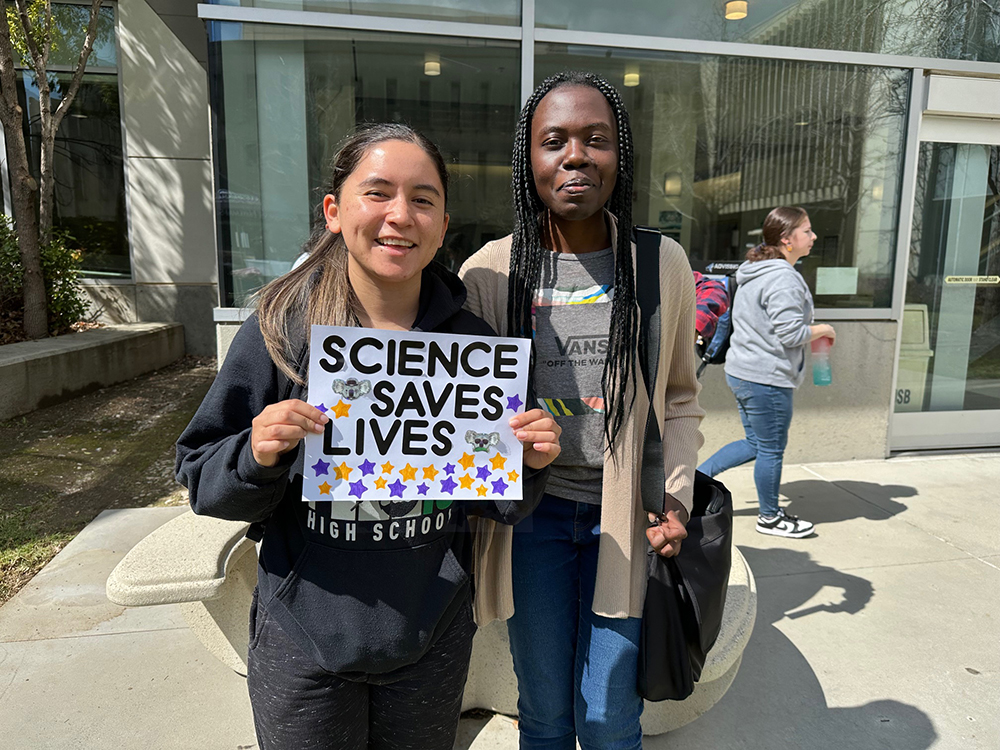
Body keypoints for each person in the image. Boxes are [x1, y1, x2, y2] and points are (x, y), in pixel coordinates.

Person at [175, 123, 562, 750]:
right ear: (334, 211)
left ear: (442, 223)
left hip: (430, 635)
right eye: (377, 193)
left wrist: (530, 460)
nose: (399, 216)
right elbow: (202, 478)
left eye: (423, 199)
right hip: (304, 640)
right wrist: (256, 453)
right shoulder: (281, 334)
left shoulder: (474, 346)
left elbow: (499, 502)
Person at [459, 72, 704, 750]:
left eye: (596, 139)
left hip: (625, 518)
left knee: (608, 718)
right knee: (541, 713)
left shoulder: (659, 264)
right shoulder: (488, 273)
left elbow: (680, 397)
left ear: (619, 154)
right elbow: (467, 418)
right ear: (527, 159)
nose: (575, 155)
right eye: (553, 141)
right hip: (530, 524)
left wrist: (675, 498)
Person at [698, 206, 836, 538]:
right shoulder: (783, 278)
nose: (813, 236)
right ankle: (770, 517)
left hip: (743, 371)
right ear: (787, 240)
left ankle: (694, 482)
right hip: (766, 377)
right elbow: (790, 334)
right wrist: (823, 329)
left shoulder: (755, 270)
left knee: (755, 443)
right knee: (770, 448)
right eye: (807, 231)